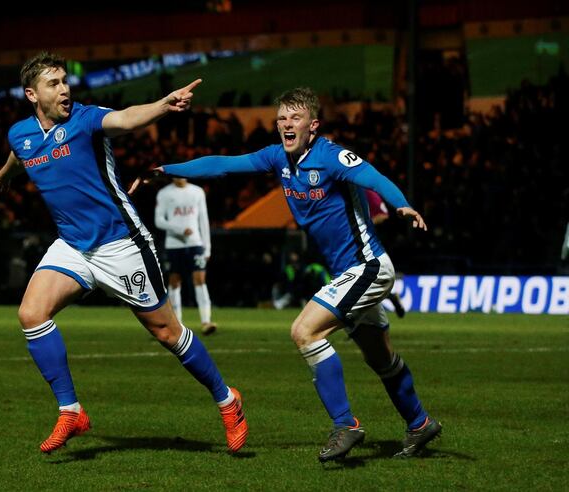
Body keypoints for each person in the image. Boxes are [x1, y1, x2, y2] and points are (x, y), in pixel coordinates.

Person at [131, 87, 440, 461]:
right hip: (348, 271)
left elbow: (373, 176)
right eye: (281, 118)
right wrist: (166, 170)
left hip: (368, 266)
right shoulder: (277, 158)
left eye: (294, 118)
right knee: (381, 359)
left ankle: (346, 424)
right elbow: (223, 164)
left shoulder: (330, 155)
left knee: (304, 331)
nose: (286, 124)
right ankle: (420, 423)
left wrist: (402, 204)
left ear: (313, 125)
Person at [0, 52, 247, 454]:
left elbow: (124, 118)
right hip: (72, 245)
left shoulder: (87, 120)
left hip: (120, 242)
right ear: (32, 94)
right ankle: (71, 411)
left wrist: (162, 106)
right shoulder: (20, 133)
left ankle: (228, 401)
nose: (65, 89)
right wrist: (2, 177)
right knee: (31, 314)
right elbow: (21, 155)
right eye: (54, 83)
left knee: (167, 333)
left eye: (65, 81)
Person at [154, 177, 217, 335]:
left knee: (200, 279)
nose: (180, 177)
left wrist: (207, 248)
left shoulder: (197, 191)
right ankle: (176, 324)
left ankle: (206, 321)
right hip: (174, 244)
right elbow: (159, 220)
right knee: (175, 282)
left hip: (195, 243)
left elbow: (203, 220)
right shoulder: (164, 193)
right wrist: (179, 229)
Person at [364, 189, 406, 318]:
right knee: (366, 283)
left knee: (366, 280)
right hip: (359, 242)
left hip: (372, 243)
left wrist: (365, 226)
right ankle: (391, 298)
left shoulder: (368, 193)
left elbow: (383, 215)